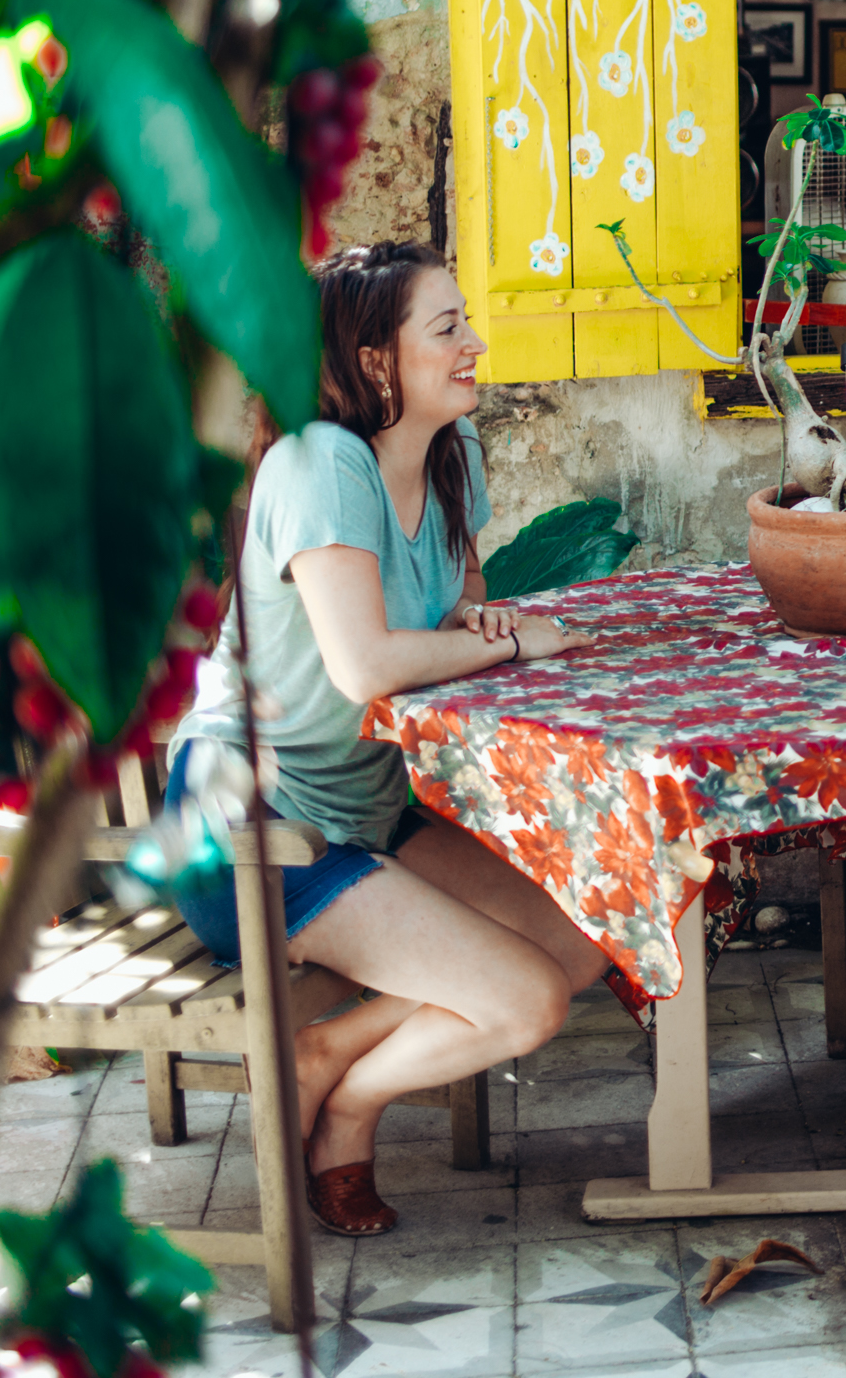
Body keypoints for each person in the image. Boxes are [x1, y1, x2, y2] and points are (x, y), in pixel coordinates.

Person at [165, 242, 606, 1238]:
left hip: (364, 809)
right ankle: (348, 1105)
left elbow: (462, 593)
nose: (474, 343)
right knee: (527, 1000)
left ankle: (334, 1064)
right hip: (254, 836)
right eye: (447, 328)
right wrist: (508, 645)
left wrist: (479, 621)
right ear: (374, 360)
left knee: (588, 935)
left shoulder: (452, 452)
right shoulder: (320, 463)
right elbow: (364, 664)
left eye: (465, 321)